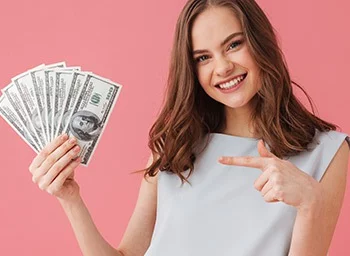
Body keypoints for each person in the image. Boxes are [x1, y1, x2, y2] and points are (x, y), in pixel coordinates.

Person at [28, 0, 350, 255]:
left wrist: (310, 203)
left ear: (259, 41)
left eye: (234, 44)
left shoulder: (328, 152)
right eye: (203, 58)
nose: (223, 68)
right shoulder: (176, 146)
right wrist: (70, 199)